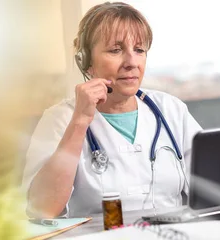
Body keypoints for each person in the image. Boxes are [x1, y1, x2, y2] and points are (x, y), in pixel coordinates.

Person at [21, 2, 203, 218]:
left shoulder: (172, 111)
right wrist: (80, 122)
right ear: (85, 60)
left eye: (139, 50)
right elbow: (41, 211)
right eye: (116, 50)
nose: (131, 62)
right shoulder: (60, 119)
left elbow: (216, 191)